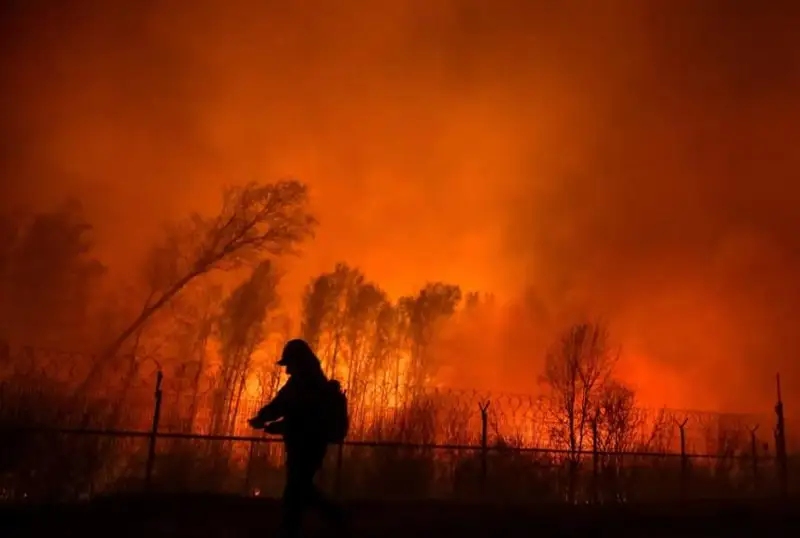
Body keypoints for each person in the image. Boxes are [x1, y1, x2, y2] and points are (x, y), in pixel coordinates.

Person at [248, 339, 347, 537]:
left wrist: (273, 424)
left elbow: (302, 418)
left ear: (299, 362)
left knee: (298, 487)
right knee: (298, 488)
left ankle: (335, 517)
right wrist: (264, 418)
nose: (287, 370)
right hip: (301, 443)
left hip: (309, 445)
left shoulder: (310, 386)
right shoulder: (301, 383)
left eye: (290, 364)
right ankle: (295, 526)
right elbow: (282, 406)